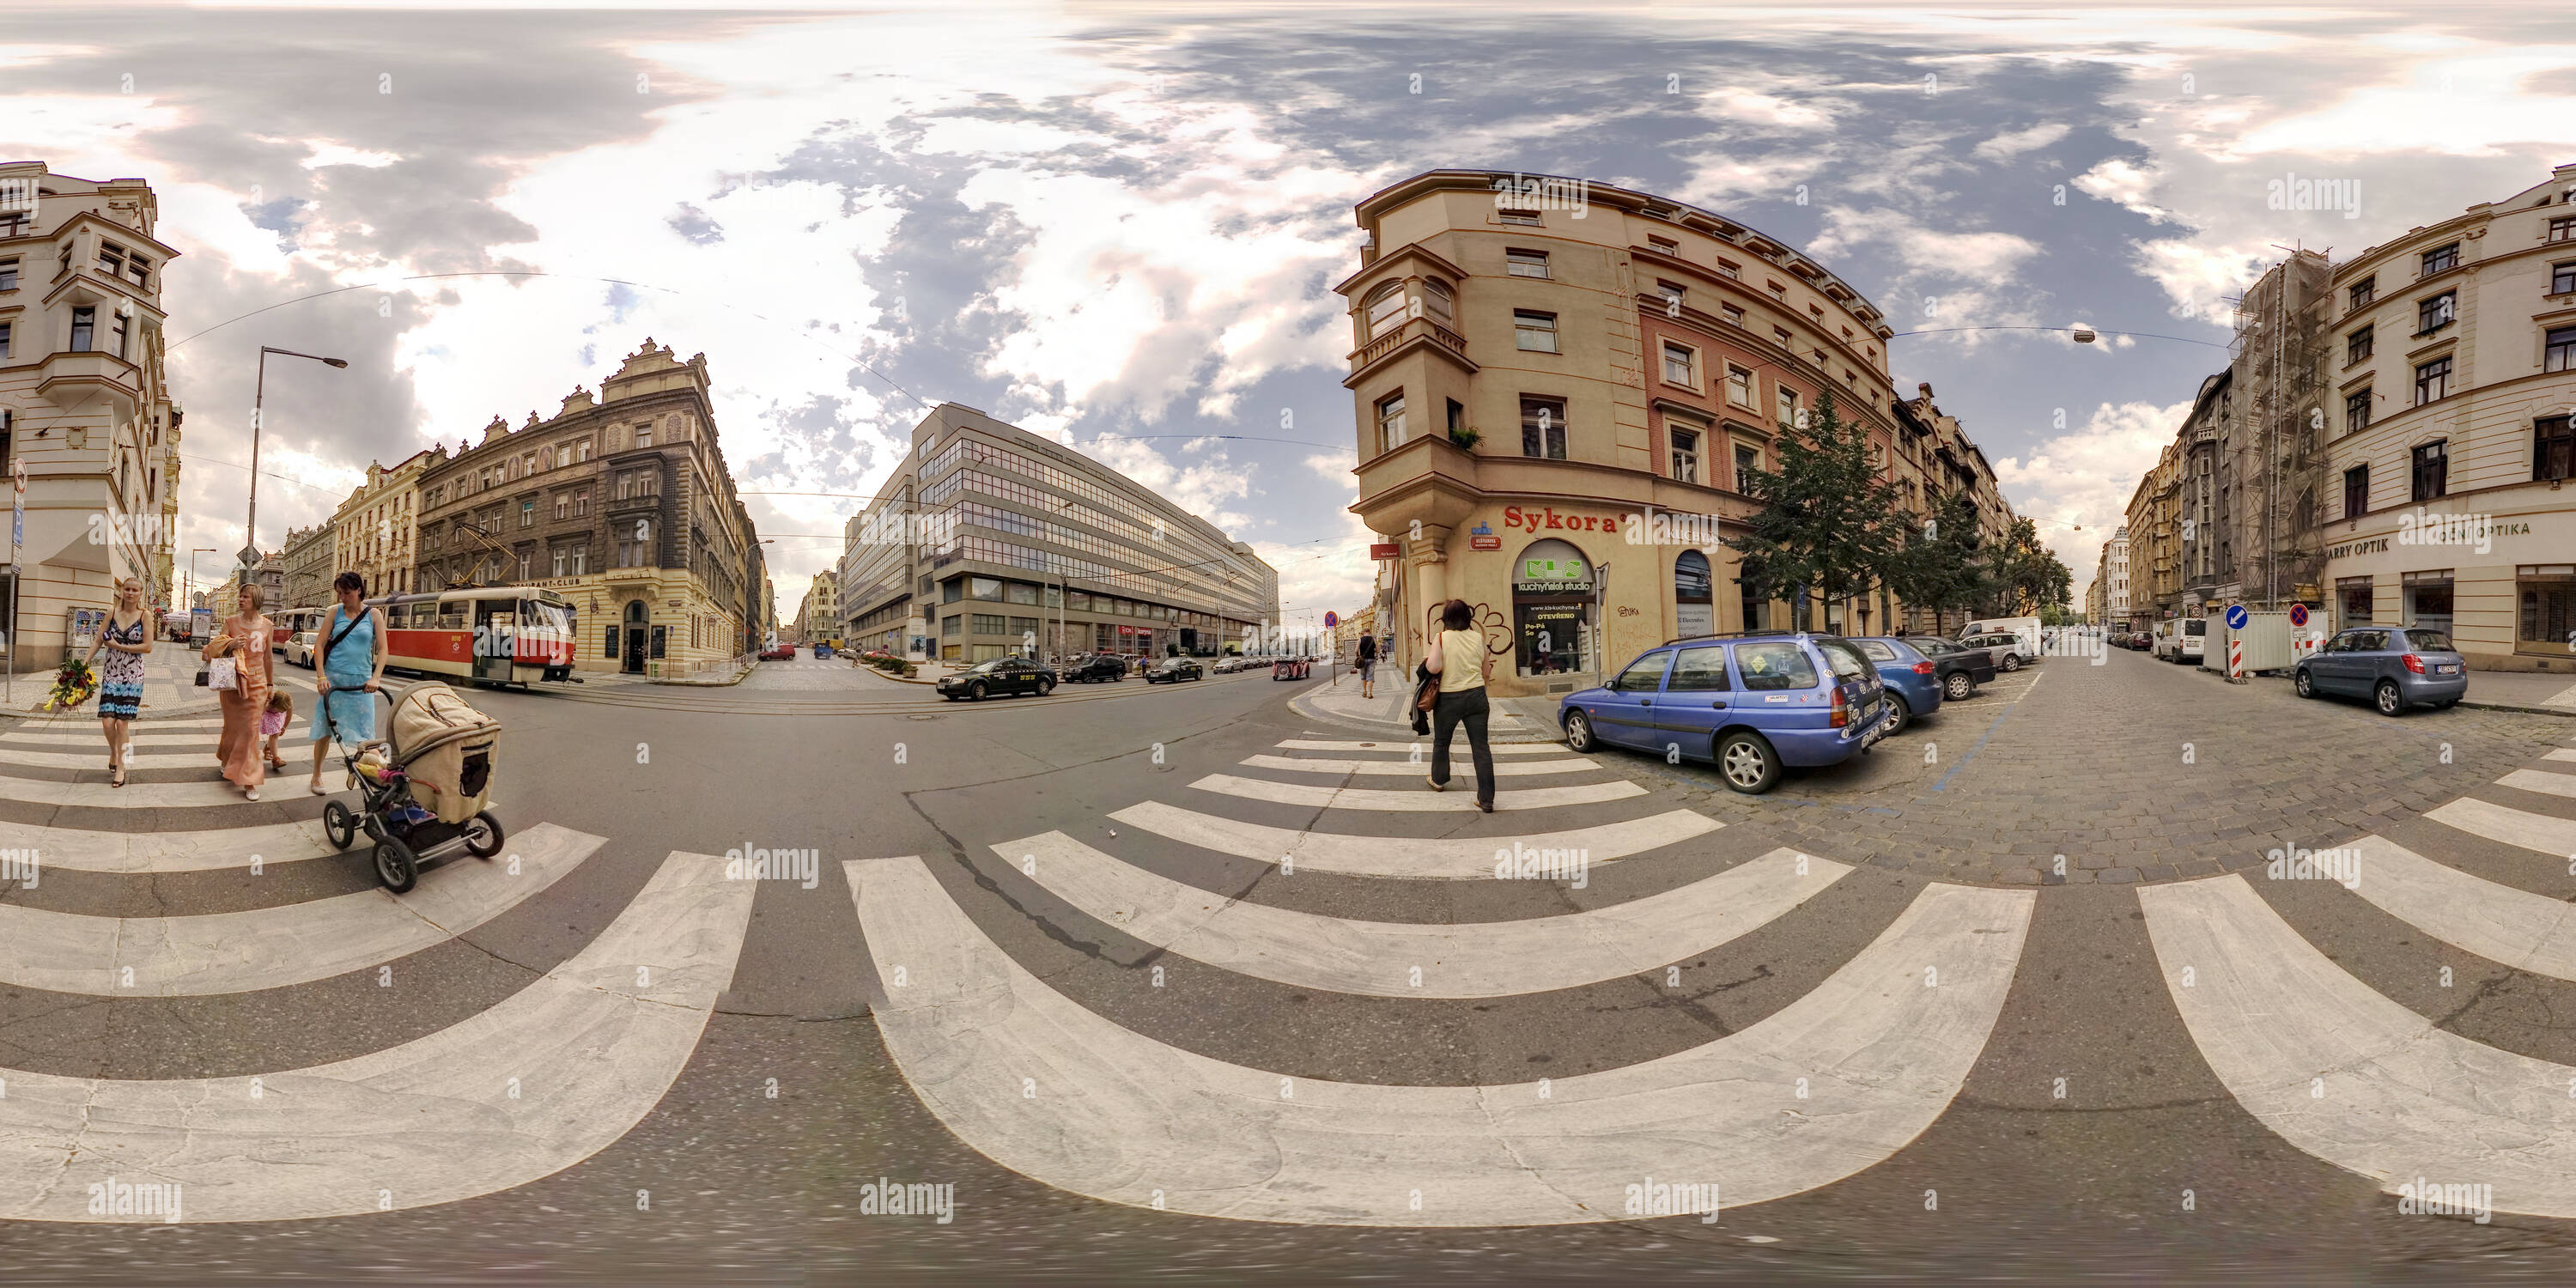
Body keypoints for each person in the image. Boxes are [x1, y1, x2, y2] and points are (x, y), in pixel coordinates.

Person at [309, 571, 389, 796]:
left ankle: (365, 773)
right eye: (339, 593)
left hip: (362, 683)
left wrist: (376, 677)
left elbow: (383, 649)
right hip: (333, 681)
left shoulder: (374, 614)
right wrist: (321, 676)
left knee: (366, 735)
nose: (342, 597)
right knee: (325, 731)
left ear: (358, 591)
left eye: (346, 593)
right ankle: (316, 774)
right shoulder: (334, 613)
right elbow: (320, 645)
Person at [1420, 598, 1496, 812]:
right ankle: (1487, 799)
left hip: (1449, 698)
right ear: (1468, 617)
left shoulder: (1441, 638)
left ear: (1446, 619)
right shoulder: (1478, 638)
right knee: (1481, 748)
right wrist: (1481, 692)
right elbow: (1487, 671)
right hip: (1477, 696)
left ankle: (1439, 779)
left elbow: (1434, 667)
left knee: (1442, 743)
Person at [83, 576, 154, 789]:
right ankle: (114, 752)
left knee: (122, 723)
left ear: (140, 593)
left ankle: (122, 766)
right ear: (122, 591)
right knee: (107, 722)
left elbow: (148, 647)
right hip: (112, 672)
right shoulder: (112, 613)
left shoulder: (145, 615)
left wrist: (117, 646)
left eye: (135, 590)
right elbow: (98, 640)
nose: (130, 593)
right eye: (127, 589)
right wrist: (83, 665)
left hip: (133, 674)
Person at [212, 582, 276, 800]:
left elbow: (268, 657)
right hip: (233, 682)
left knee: (250, 730)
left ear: (255, 600)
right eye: (240, 597)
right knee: (232, 728)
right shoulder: (230, 622)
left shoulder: (267, 625)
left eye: (245, 597)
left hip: (257, 682)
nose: (241, 600)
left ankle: (249, 780)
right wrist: (229, 645)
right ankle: (225, 757)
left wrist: (270, 684)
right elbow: (214, 648)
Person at [260, 690, 294, 770]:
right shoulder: (269, 703)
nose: (283, 711)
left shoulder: (288, 703)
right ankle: (276, 760)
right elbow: (260, 713)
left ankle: (268, 748)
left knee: (275, 735)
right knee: (275, 735)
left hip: (278, 717)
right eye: (281, 709)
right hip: (268, 716)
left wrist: (284, 727)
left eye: (284, 710)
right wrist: (267, 704)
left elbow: (289, 715)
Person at [1355, 631, 1379, 699]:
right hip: (1371, 660)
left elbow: (1356, 650)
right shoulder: (1373, 639)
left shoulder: (1360, 639)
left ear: (1364, 632)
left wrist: (1358, 656)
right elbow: (1378, 650)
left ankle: (1364, 692)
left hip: (1362, 661)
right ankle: (1370, 693)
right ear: (1369, 632)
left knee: (1363, 676)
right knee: (1370, 677)